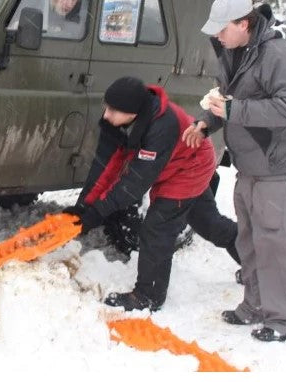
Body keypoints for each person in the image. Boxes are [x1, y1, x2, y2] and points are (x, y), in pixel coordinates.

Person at [182, 0, 286, 342]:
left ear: (244, 23)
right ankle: (255, 304)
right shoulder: (234, 51)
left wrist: (235, 111)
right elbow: (226, 100)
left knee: (280, 241)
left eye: (222, 29)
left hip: (277, 162)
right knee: (251, 237)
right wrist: (205, 122)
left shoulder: (278, 55)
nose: (216, 36)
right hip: (249, 162)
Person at [64, 76, 240, 312]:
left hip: (190, 165)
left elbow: (135, 182)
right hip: (177, 160)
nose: (106, 115)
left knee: (157, 228)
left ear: (132, 111)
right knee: (207, 222)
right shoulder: (124, 122)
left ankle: (148, 296)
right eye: (106, 107)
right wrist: (86, 206)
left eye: (113, 110)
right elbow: (108, 166)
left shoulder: (161, 127)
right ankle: (256, 259)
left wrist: (98, 213)